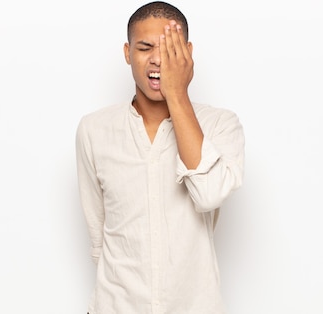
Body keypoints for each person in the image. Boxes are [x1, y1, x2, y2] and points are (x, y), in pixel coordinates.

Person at [75, 1, 245, 313]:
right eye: (145, 47)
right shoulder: (94, 130)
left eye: (169, 48)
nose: (157, 59)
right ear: (127, 53)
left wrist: (177, 93)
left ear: (188, 53)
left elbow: (207, 196)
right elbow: (100, 238)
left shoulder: (221, 125)